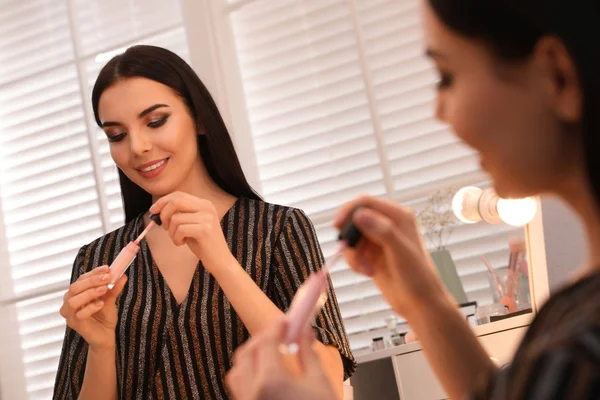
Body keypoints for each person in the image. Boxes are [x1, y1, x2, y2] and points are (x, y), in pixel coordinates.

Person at [226, 1, 600, 399]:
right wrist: (424, 302)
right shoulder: (576, 315)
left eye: (446, 77)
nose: (439, 112)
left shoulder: (580, 354)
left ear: (556, 76)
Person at [53, 45, 356, 400]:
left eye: (155, 121)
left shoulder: (279, 230)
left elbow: (327, 382)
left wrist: (222, 262)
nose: (137, 147)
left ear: (198, 118)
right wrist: (102, 347)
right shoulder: (97, 260)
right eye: (116, 135)